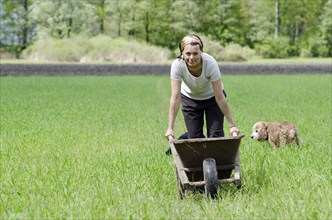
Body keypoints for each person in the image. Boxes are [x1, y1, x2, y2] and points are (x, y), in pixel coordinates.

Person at [164, 34, 240, 141]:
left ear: (201, 52)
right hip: (190, 100)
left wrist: (232, 125)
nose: (192, 57)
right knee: (195, 139)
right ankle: (187, 138)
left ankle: (213, 158)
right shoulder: (177, 65)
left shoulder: (210, 63)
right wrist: (170, 128)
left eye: (195, 53)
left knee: (215, 137)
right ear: (182, 53)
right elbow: (176, 97)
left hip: (212, 99)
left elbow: (219, 96)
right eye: (188, 54)